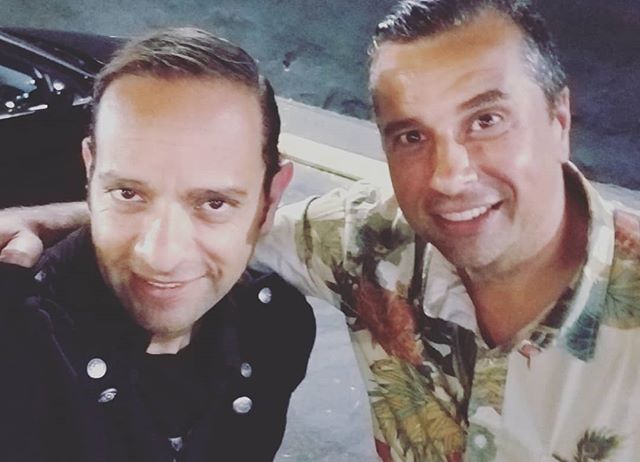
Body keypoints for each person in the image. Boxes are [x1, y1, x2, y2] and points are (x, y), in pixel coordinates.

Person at [2, 1, 640, 461]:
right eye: (410, 135)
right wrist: (46, 220)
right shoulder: (369, 241)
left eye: (487, 120)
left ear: (560, 119)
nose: (450, 177)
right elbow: (222, 227)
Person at [0, 27, 316, 462]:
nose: (161, 256)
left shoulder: (276, 326)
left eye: (214, 203)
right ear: (90, 172)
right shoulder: (17, 341)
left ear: (271, 198)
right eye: (128, 193)